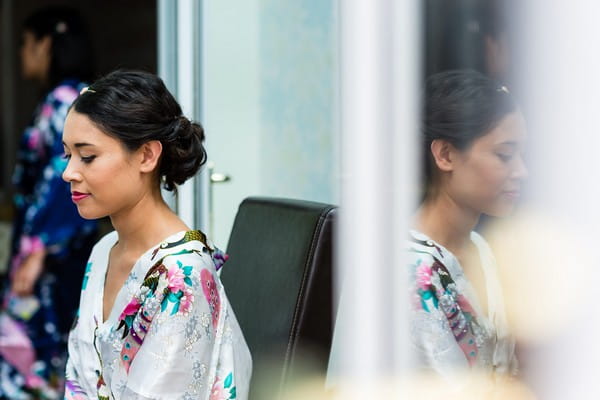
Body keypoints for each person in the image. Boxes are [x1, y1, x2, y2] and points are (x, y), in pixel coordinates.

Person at [61, 70, 252, 399]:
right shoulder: (104, 250)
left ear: (147, 155)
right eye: (68, 155)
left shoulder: (183, 275)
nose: (68, 172)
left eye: (87, 157)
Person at [0, 7, 97, 399]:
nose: (23, 53)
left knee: (33, 357)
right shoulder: (68, 99)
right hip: (53, 252)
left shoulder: (66, 102)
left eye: (26, 43)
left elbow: (62, 180)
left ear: (46, 45)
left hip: (52, 259)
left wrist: (37, 249)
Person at [408, 70, 526, 382]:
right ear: (445, 155)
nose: (521, 171)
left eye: (520, 155)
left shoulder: (479, 248)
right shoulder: (411, 269)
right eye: (504, 155)